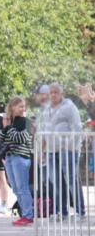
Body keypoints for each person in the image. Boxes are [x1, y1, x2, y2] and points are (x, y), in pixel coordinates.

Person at [39, 83, 86, 218]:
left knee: (72, 180)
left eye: (56, 92)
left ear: (61, 94)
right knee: (57, 181)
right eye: (51, 92)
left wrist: (72, 147)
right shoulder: (46, 109)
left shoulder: (70, 107)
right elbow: (43, 130)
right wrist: (42, 150)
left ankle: (80, 211)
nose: (53, 95)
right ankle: (62, 212)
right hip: (51, 150)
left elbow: (77, 128)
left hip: (68, 150)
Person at [0, 96, 34, 226]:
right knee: (15, 188)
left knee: (23, 187)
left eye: (24, 106)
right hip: (9, 158)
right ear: (12, 107)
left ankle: (28, 215)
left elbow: (20, 138)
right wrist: (5, 127)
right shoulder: (8, 121)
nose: (23, 109)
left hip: (21, 157)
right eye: (20, 106)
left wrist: (8, 129)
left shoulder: (26, 122)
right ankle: (24, 214)